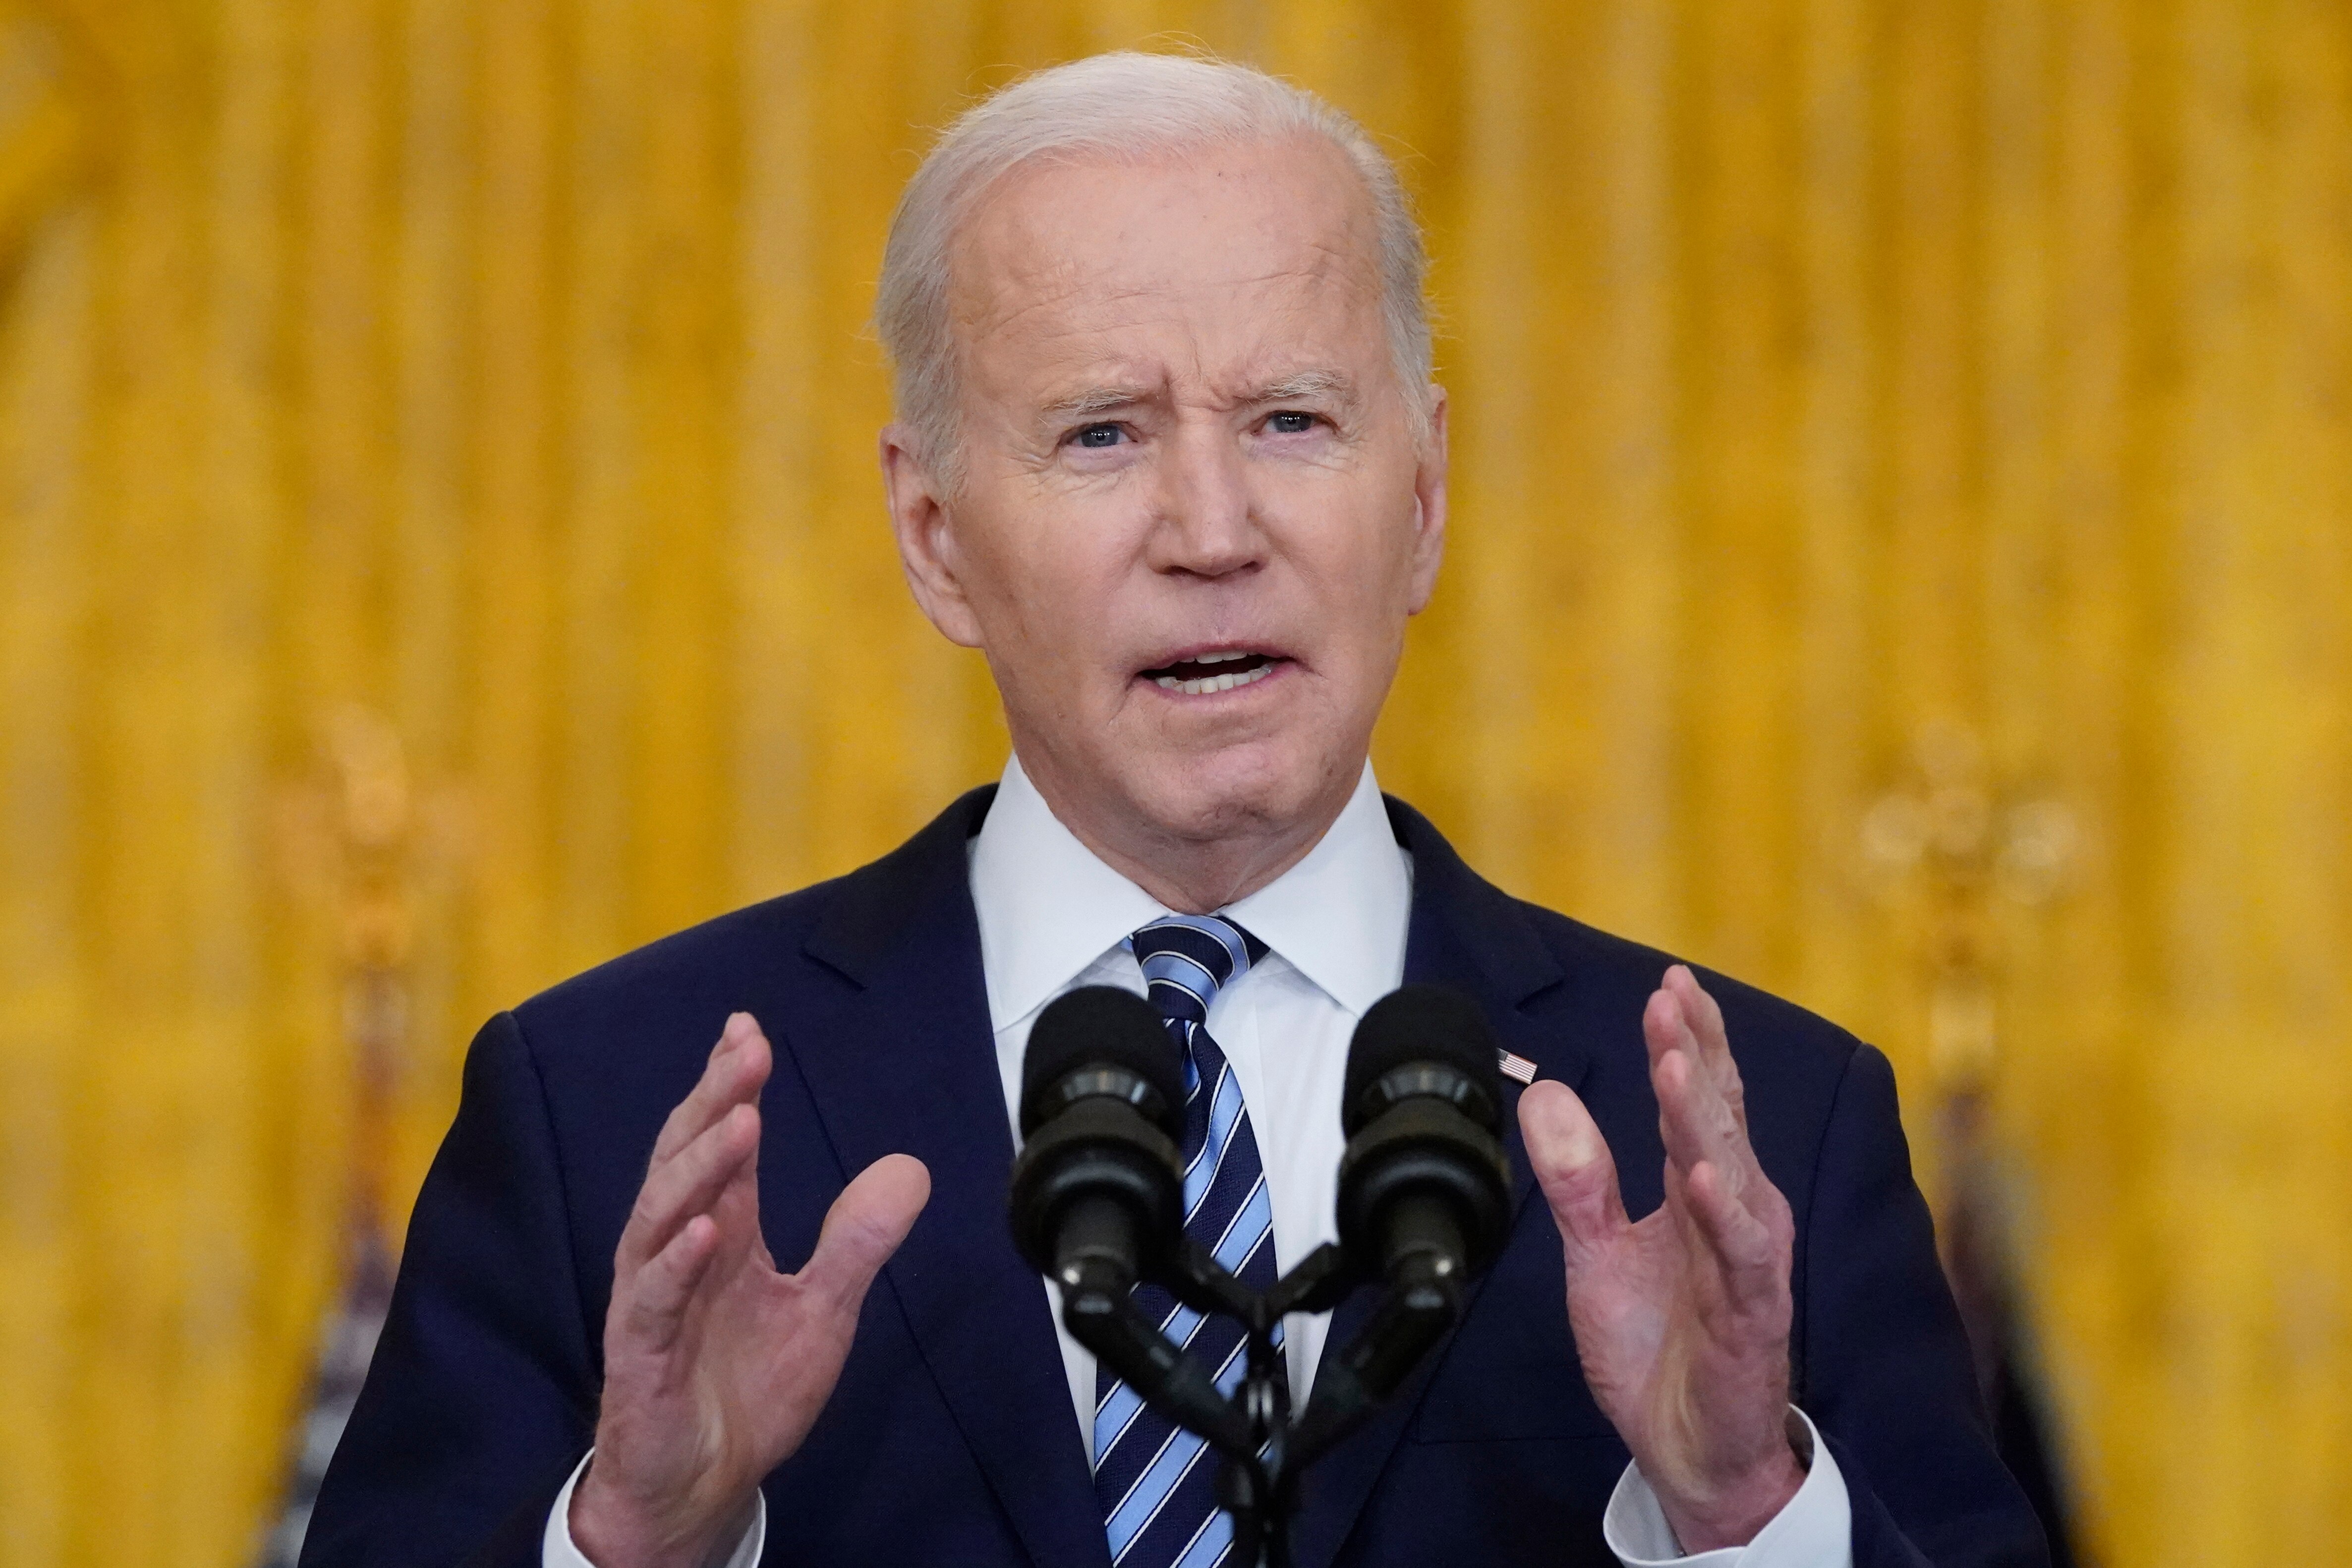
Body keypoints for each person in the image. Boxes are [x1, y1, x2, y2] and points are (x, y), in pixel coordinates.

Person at [303, 52, 2044, 1568]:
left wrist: (1746, 1509)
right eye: (1100, 435)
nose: (1211, 527)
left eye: (1291, 418)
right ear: (933, 536)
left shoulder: (1761, 1137)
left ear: (1421, 497)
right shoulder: (605, 1117)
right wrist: (635, 1540)